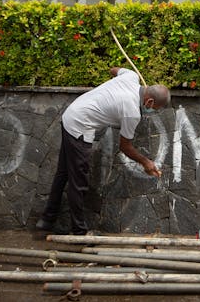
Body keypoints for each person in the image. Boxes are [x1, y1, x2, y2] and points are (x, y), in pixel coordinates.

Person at [36, 67, 170, 235]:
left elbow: (113, 70)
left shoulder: (131, 76)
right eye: (155, 108)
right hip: (79, 127)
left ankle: (47, 219)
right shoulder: (132, 112)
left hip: (71, 114)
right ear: (149, 101)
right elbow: (125, 147)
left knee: (63, 173)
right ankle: (79, 231)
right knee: (78, 183)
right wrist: (145, 162)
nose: (153, 111)